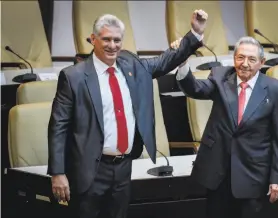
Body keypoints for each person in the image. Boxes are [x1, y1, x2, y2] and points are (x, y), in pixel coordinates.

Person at [48, 10, 208, 218]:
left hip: (123, 167)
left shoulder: (131, 64)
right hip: (89, 169)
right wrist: (58, 173)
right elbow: (58, 126)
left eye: (117, 40)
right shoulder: (73, 77)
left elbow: (164, 61)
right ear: (93, 39)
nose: (112, 45)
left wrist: (194, 34)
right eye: (106, 39)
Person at [171, 36, 278, 218]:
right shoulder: (220, 77)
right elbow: (194, 88)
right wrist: (183, 62)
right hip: (219, 173)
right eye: (240, 57)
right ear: (234, 58)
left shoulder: (276, 90)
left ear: (262, 62)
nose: (245, 64)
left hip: (253, 174)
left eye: (251, 59)